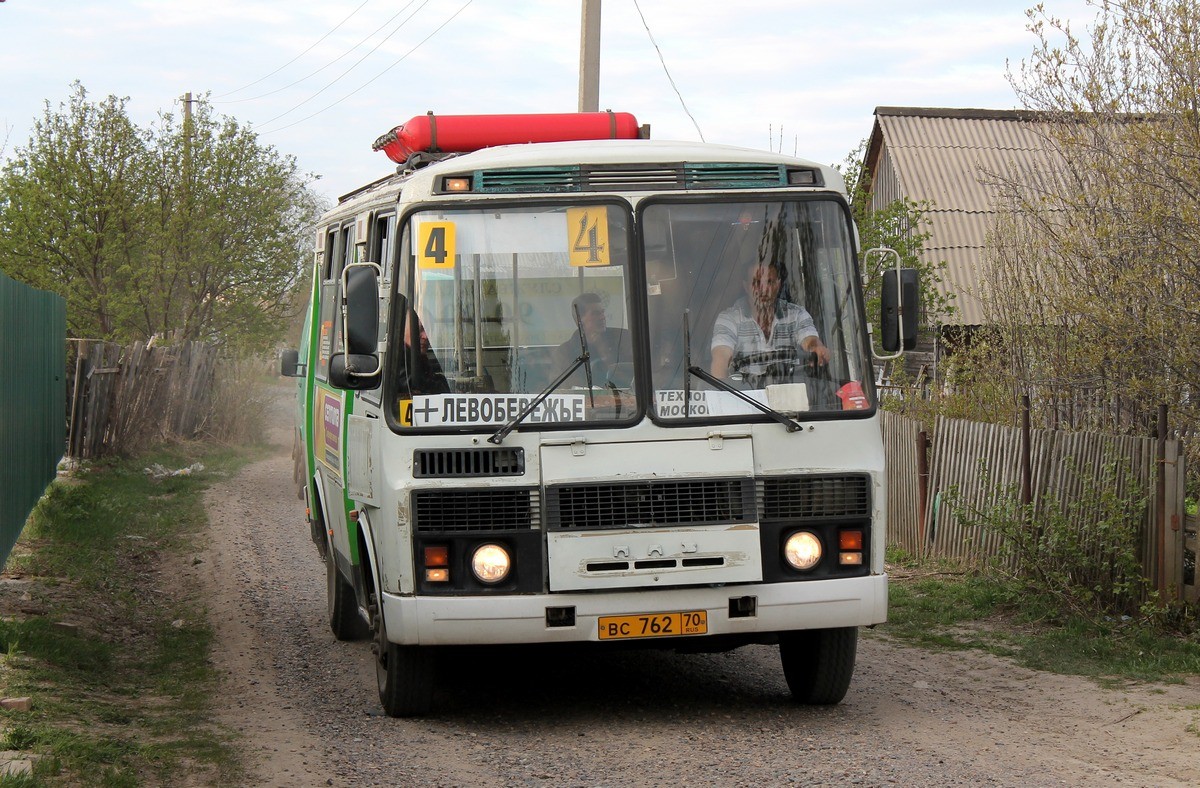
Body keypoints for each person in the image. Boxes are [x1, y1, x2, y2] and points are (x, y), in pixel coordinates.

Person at [710, 260, 830, 381]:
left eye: (769, 282)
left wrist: (816, 348)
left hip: (791, 393)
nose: (764, 289)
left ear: (778, 285)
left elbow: (810, 341)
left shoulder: (796, 314)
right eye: (756, 282)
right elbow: (721, 358)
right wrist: (720, 393)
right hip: (744, 396)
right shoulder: (729, 319)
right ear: (746, 287)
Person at [554, 292, 632, 387]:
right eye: (595, 314)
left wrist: (603, 350)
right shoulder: (565, 351)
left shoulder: (622, 339)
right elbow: (568, 387)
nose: (602, 317)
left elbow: (629, 378)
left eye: (602, 312)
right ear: (580, 320)